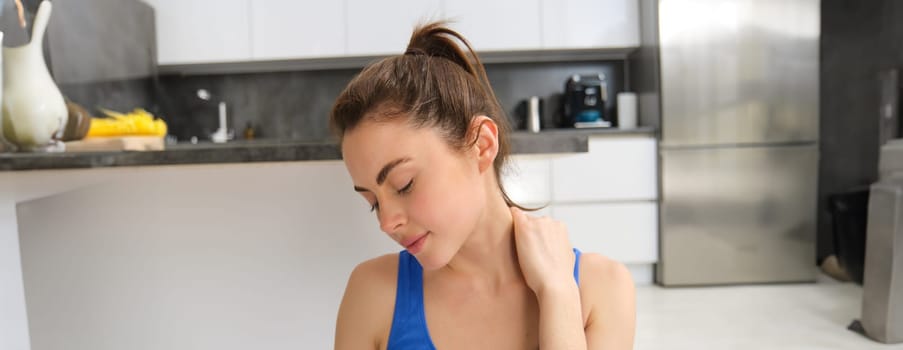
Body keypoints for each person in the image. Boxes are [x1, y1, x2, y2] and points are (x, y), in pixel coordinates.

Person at [330, 22, 636, 349]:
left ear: (482, 145)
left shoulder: (601, 288)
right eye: (373, 202)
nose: (386, 223)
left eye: (404, 185)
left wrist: (557, 293)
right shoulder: (374, 294)